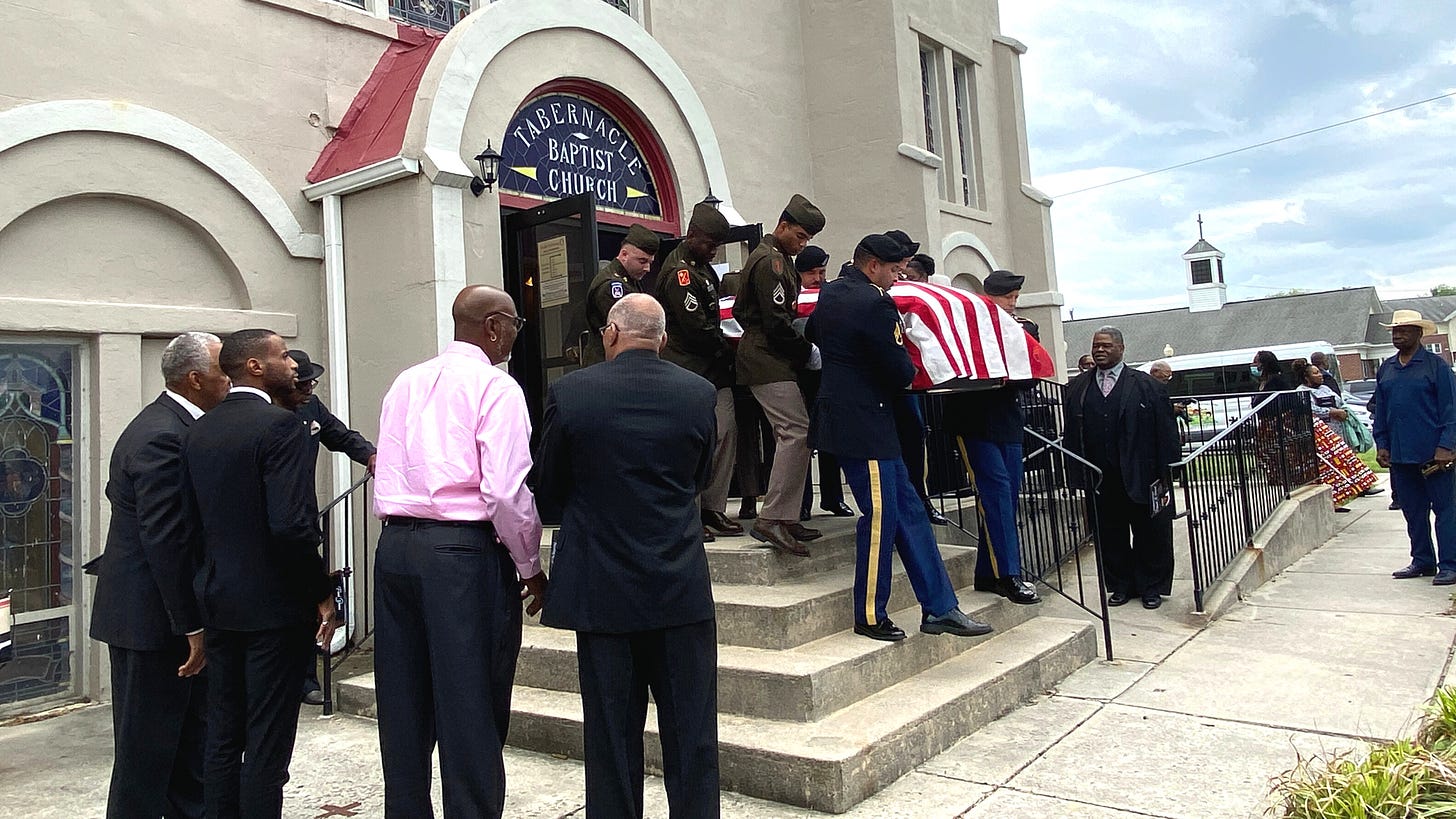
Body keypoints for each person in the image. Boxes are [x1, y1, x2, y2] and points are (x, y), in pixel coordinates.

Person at [534, 294, 720, 818]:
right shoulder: (698, 392)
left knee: (611, 739)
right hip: (679, 584)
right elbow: (700, 476)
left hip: (602, 589)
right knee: (693, 734)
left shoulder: (571, 392)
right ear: (662, 339)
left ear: (610, 333)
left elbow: (547, 488)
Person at [372, 285, 548, 817]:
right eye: (515, 323)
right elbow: (504, 491)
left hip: (397, 549)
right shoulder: (497, 387)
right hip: (461, 552)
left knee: (403, 702)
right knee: (469, 702)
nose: (518, 334)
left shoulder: (405, 381)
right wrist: (530, 565)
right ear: (493, 327)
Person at [182, 329, 338, 819]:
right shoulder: (281, 427)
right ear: (253, 366)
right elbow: (291, 526)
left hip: (219, 601)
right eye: (283, 355)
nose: (293, 364)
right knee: (268, 745)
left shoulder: (198, 428)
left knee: (224, 735)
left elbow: (190, 526)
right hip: (273, 609)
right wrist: (321, 593)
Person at [808, 233, 993, 642]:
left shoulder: (830, 293)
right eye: (894, 270)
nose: (898, 278)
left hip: (860, 423)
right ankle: (870, 613)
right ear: (873, 265)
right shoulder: (875, 302)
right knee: (880, 521)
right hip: (867, 426)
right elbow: (898, 369)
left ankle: (941, 608)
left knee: (909, 513)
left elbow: (814, 336)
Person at [90, 332, 229, 819]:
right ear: (196, 380)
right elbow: (166, 539)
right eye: (222, 370)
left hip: (159, 613)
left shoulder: (171, 425)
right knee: (146, 754)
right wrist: (191, 625)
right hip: (152, 621)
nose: (230, 379)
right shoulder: (163, 434)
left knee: (190, 745)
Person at [282, 349, 377, 706]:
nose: (308, 388)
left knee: (311, 599)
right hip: (271, 525)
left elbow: (339, 435)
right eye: (301, 383)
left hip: (302, 521)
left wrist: (370, 453)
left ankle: (306, 678)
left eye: (311, 382)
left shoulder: (312, 408)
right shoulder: (268, 413)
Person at [734, 194, 827, 555]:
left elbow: (744, 311)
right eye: (800, 236)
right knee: (796, 431)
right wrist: (806, 351)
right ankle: (772, 518)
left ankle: (785, 516)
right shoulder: (771, 262)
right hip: (767, 358)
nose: (802, 244)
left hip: (768, 356)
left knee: (794, 432)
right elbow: (775, 321)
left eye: (807, 239)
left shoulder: (777, 260)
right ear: (783, 225)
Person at [1064, 326, 1179, 609]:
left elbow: (1166, 434)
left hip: (1143, 474)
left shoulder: (1147, 386)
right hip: (1101, 478)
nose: (1100, 350)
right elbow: (1070, 434)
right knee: (1110, 535)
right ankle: (1121, 585)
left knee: (1150, 534)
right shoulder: (1078, 388)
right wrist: (1074, 474)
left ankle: (1151, 587)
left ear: (1121, 348)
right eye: (1096, 346)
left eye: (1106, 346)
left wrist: (1167, 474)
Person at [944, 270, 1040, 605]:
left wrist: (1004, 376)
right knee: (996, 493)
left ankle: (988, 572)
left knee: (1006, 499)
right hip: (973, 422)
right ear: (989, 297)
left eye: (1015, 298)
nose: (1012, 304)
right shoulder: (969, 327)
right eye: (1007, 298)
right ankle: (1008, 575)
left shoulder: (1023, 328)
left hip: (1007, 422)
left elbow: (1030, 376)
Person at [655, 202, 740, 543]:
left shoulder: (704, 268)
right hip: (687, 367)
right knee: (693, 443)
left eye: (716, 245)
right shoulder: (680, 273)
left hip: (713, 369)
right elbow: (694, 329)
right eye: (708, 244)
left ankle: (713, 507)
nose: (712, 250)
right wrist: (727, 344)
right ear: (692, 236)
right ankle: (689, 513)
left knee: (726, 433)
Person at [1373, 310, 1456, 585]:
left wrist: (1447, 446)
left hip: (1434, 456)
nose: (1398, 334)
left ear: (1420, 333)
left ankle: (1450, 565)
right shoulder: (1386, 368)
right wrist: (1382, 444)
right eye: (1395, 330)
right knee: (1412, 511)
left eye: (1405, 330)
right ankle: (1423, 561)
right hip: (1400, 455)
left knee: (1445, 510)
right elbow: (1381, 410)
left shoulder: (1436, 366)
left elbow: (1451, 410)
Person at [884, 231, 949, 527]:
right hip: (886, 380)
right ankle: (901, 502)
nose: (903, 275)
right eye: (901, 268)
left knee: (914, 436)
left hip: (909, 380)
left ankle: (918, 498)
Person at [794, 245, 852, 519]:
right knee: (803, 438)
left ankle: (832, 496)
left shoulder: (830, 295)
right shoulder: (793, 296)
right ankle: (802, 502)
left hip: (827, 373)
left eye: (822, 271)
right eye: (812, 273)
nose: (818, 278)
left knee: (830, 436)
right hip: (800, 374)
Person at [1297, 362, 1377, 512]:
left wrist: (1342, 411)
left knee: (1347, 462)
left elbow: (1340, 402)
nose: (1320, 375)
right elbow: (1310, 409)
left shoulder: (1325, 388)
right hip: (1320, 437)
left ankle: (1361, 487)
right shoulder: (1301, 392)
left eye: (1319, 372)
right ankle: (1334, 501)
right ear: (1306, 377)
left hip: (1338, 433)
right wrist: (1330, 412)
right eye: (1315, 373)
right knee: (1328, 470)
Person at [581, 224, 660, 366]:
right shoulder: (611, 285)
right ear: (624, 255)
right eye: (642, 261)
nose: (647, 268)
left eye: (650, 262)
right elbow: (628, 330)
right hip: (607, 365)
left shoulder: (630, 280)